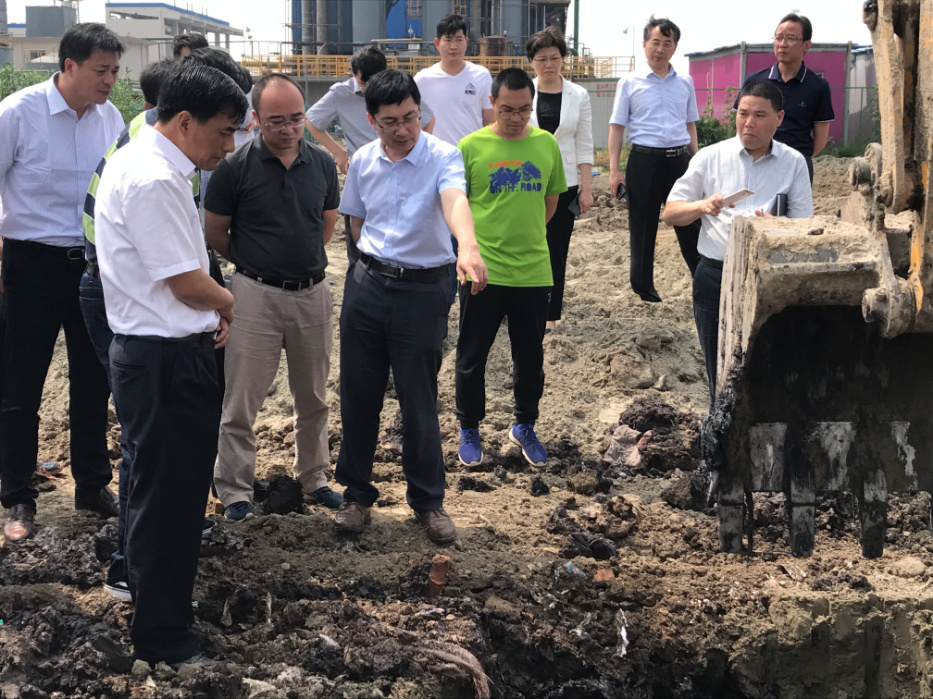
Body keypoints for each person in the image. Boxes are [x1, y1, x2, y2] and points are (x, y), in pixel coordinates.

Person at [79, 48, 251, 600]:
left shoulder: (150, 162)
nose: (229, 147)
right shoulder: (154, 178)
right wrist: (227, 302)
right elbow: (185, 281)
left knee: (163, 491)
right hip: (164, 361)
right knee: (168, 496)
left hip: (160, 352)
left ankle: (153, 595)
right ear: (184, 122)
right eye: (224, 132)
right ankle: (162, 627)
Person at [335, 69, 487, 543]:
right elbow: (355, 223)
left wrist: (468, 247)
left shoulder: (443, 156)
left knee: (418, 397)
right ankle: (356, 494)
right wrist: (368, 270)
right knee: (358, 393)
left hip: (423, 290)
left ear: (421, 112)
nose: (403, 129)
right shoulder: (363, 161)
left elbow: (455, 201)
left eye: (410, 117)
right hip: (367, 285)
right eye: (390, 122)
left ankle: (427, 500)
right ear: (371, 120)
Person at [0, 23, 125, 542]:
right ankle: (17, 497)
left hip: (91, 266)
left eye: (115, 71)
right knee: (20, 385)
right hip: (30, 265)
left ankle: (92, 485)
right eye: (102, 70)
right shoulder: (17, 114)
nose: (110, 80)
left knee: (94, 380)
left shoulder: (110, 118)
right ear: (69, 66)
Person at [207, 73, 342, 521]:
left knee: (314, 396)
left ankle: (314, 477)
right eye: (277, 121)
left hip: (312, 294)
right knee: (241, 399)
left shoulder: (321, 164)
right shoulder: (235, 168)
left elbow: (326, 222)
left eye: (297, 119)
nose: (288, 129)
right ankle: (234, 489)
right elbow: (216, 232)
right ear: (257, 119)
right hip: (254, 295)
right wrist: (255, 262)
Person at [662, 81, 812, 406]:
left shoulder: (794, 162)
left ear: (779, 117)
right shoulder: (709, 157)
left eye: (759, 115)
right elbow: (671, 213)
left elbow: (805, 227)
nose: (749, 123)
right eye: (743, 114)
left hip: (771, 278)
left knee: (768, 364)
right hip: (716, 276)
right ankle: (721, 425)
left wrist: (776, 227)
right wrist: (702, 206)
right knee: (720, 369)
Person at [456, 67, 566, 469]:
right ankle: (469, 427)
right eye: (507, 109)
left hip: (533, 271)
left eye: (524, 109)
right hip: (481, 271)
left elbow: (550, 201)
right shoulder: (470, 147)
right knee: (472, 355)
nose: (516, 117)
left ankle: (524, 424)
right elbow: (457, 204)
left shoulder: (546, 144)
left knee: (530, 357)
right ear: (492, 103)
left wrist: (527, 235)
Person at [305, 44, 434, 264]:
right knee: (358, 238)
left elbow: (429, 119)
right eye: (364, 83)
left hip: (400, 172)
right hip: (364, 175)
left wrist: (416, 151)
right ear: (354, 75)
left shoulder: (398, 91)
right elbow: (311, 120)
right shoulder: (341, 94)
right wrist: (338, 152)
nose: (370, 89)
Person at [608, 16, 700, 303]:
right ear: (644, 44)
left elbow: (690, 124)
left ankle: (702, 278)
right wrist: (614, 170)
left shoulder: (685, 82)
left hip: (679, 161)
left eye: (667, 44)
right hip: (644, 161)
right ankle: (643, 288)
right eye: (655, 42)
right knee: (643, 225)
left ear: (675, 48)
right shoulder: (629, 82)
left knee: (690, 222)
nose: (660, 49)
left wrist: (696, 160)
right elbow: (617, 127)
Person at [526, 26, 593, 333]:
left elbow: (584, 142)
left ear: (563, 59)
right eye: (541, 59)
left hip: (565, 183)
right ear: (531, 61)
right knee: (526, 244)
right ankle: (521, 305)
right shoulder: (524, 91)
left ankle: (550, 313)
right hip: (527, 181)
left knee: (556, 249)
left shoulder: (578, 95)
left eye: (554, 57)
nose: (549, 64)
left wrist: (586, 187)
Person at [735, 13, 834, 183]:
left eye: (790, 39)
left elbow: (821, 138)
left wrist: (798, 158)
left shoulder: (818, 86)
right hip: (757, 162)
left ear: (806, 45)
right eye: (779, 38)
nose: (782, 44)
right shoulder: (755, 81)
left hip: (797, 165)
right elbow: (741, 122)